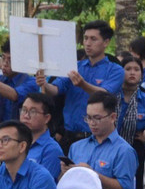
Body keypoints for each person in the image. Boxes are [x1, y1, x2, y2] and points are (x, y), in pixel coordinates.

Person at [65, 92, 138, 189]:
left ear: (113, 117)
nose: (92, 123)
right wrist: (64, 173)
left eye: (97, 118)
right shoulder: (77, 147)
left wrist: (92, 175)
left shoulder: (124, 151)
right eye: (88, 118)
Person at [41, 20, 124, 150]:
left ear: (106, 42)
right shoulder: (74, 66)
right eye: (85, 38)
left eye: (93, 39)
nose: (88, 43)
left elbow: (105, 95)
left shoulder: (116, 70)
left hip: (98, 138)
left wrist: (83, 84)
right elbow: (56, 89)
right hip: (69, 137)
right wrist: (44, 84)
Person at [115, 54, 145, 164]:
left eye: (136, 69)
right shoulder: (111, 97)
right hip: (111, 149)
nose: (132, 73)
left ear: (141, 75)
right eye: (128, 69)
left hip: (137, 151)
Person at [19, 93, 65, 180]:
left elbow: (42, 184)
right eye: (24, 110)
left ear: (47, 118)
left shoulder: (51, 149)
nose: (26, 116)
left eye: (33, 112)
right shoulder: (15, 142)